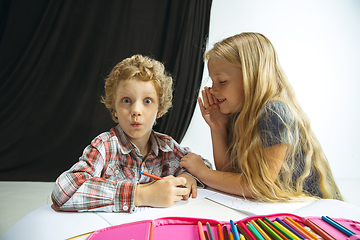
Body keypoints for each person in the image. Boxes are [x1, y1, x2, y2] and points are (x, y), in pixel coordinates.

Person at [180, 32, 343, 202]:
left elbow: (259, 186)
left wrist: (203, 172)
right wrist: (218, 127)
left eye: (221, 81)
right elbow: (229, 175)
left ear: (252, 77)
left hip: (313, 215)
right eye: (212, 82)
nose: (212, 90)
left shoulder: (273, 112)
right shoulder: (238, 115)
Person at [51, 54, 211, 213]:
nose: (136, 110)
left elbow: (203, 166)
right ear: (114, 109)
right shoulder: (105, 146)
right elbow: (63, 191)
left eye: (147, 101)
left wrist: (189, 177)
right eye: (126, 100)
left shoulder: (166, 147)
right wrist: (142, 194)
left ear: (159, 109)